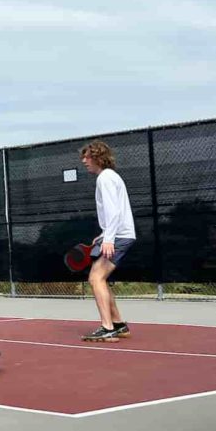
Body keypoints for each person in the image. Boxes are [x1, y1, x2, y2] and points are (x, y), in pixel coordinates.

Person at [80, 140, 136, 342]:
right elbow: (115, 211)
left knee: (96, 278)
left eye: (87, 157)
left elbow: (114, 212)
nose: (84, 161)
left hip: (119, 236)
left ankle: (108, 328)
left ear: (98, 157)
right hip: (119, 234)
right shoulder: (110, 177)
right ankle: (118, 325)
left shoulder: (105, 178)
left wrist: (109, 238)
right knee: (100, 278)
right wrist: (104, 234)